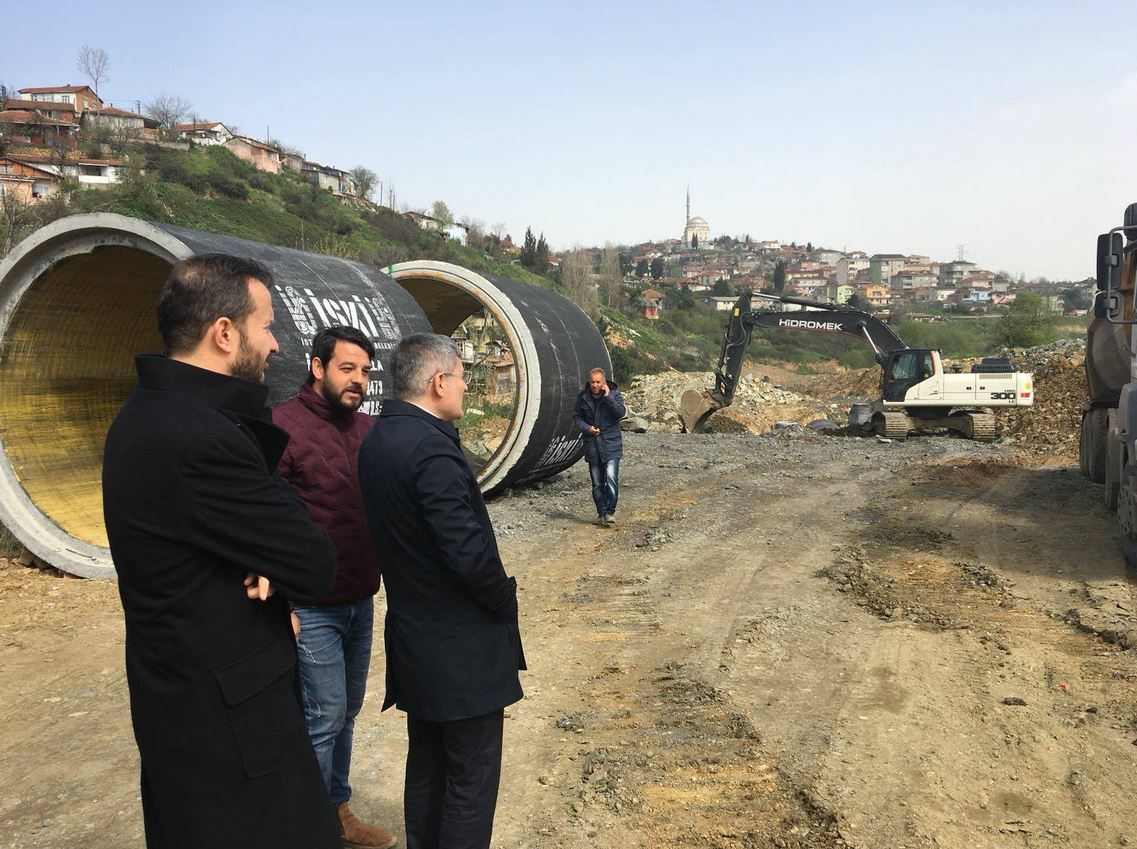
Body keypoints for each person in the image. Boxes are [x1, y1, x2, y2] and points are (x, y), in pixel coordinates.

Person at [102, 253, 342, 849]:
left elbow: (210, 532)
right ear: (225, 333)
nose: (277, 345)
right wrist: (272, 553)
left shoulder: (144, 417)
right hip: (230, 733)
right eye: (266, 326)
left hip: (184, 707)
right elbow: (314, 562)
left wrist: (259, 551)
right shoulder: (201, 437)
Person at [357, 332, 525, 849]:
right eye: (462, 377)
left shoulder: (379, 440)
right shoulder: (431, 452)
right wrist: (502, 599)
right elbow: (466, 554)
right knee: (469, 781)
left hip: (415, 636)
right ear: (437, 381)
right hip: (460, 648)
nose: (466, 388)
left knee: (427, 767)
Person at [272, 326, 396, 849]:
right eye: (348, 369)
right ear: (317, 367)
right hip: (310, 603)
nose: (358, 380)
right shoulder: (280, 426)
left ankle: (337, 811)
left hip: (359, 596)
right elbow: (263, 517)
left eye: (365, 371)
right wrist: (282, 597)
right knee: (321, 716)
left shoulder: (368, 429)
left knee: (346, 710)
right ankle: (308, 827)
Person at [573, 367, 626, 525]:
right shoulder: (583, 397)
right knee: (597, 482)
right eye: (592, 382)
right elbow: (577, 417)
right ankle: (601, 511)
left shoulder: (615, 394)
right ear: (589, 382)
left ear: (604, 383)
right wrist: (587, 428)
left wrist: (608, 397)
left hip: (611, 444)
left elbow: (620, 413)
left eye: (598, 382)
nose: (595, 385)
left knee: (611, 478)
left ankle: (610, 512)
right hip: (593, 445)